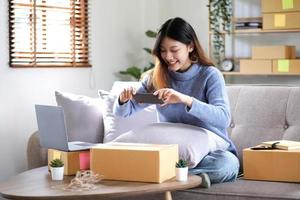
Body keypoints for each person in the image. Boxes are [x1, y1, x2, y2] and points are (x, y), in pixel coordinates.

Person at [113, 17, 239, 188]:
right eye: (163, 51)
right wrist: (122, 100)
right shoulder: (155, 77)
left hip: (210, 152)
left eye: (174, 50)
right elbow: (124, 112)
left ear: (190, 46)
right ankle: (176, 176)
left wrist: (184, 99)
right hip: (172, 153)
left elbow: (223, 118)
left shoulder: (210, 75)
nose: (168, 56)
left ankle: (161, 174)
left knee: (227, 165)